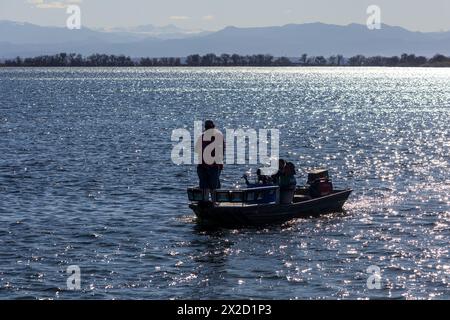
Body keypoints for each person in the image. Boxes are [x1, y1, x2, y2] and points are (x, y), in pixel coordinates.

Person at [194, 120, 225, 201]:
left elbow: (196, 150)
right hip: (212, 166)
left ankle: (207, 201)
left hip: (204, 166)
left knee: (206, 186)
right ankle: (214, 203)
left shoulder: (202, 137)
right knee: (213, 186)